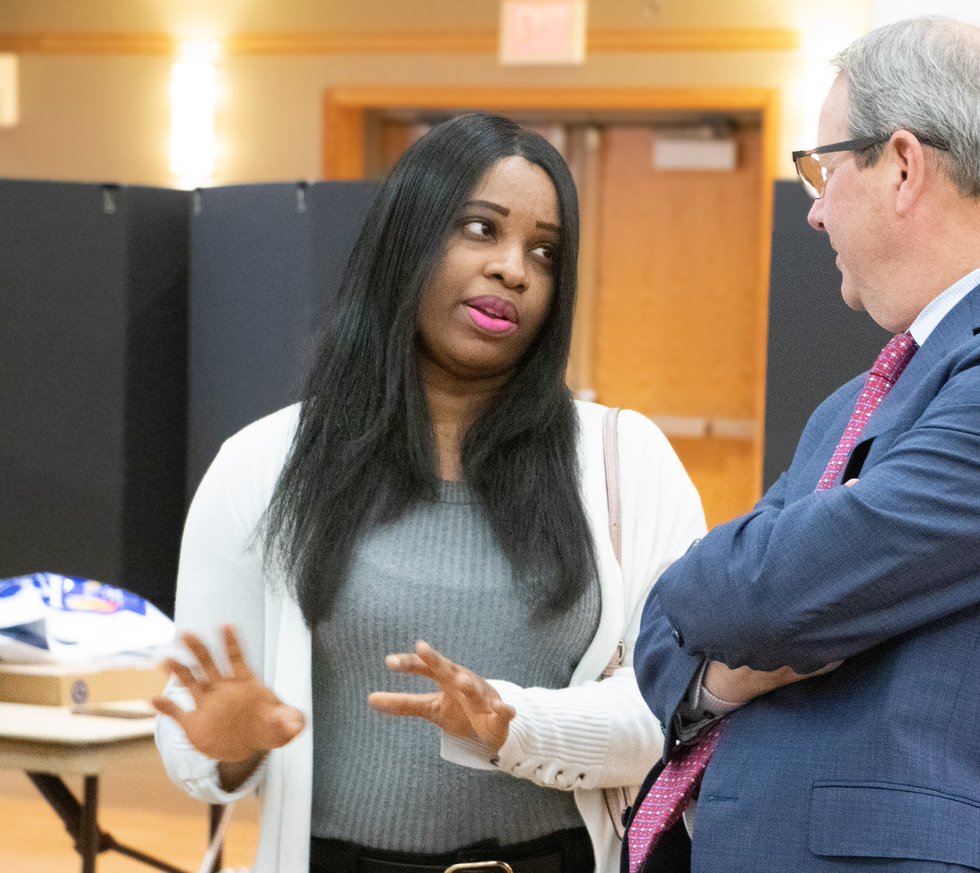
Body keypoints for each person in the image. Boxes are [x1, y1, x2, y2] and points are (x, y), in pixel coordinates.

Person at [628, 16, 980, 873]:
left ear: (900, 165)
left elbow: (764, 594)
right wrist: (729, 671)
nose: (812, 212)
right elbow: (669, 627)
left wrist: (746, 605)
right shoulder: (858, 400)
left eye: (822, 167)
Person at [153, 111, 706, 873]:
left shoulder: (624, 460)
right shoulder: (264, 465)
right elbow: (193, 740)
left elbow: (671, 707)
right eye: (481, 229)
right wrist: (229, 742)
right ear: (405, 242)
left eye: (544, 251)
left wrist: (511, 723)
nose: (514, 268)